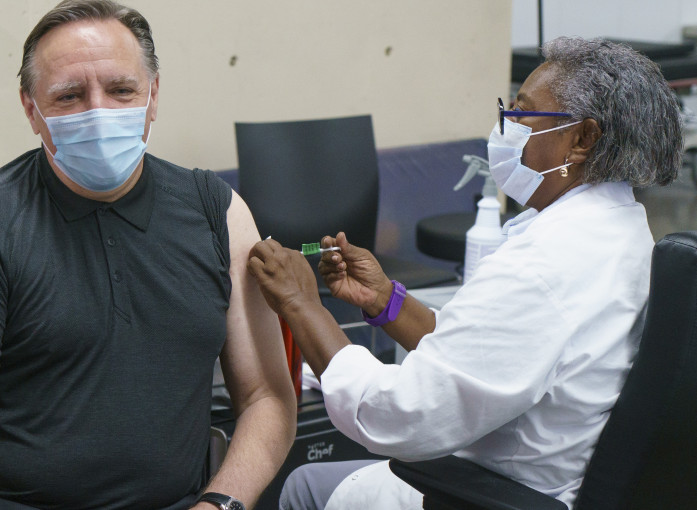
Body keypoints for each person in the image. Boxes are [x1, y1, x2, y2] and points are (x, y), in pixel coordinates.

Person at [247, 37, 682, 509]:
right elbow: (480, 354)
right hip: (555, 479)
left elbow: (394, 415)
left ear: (583, 139)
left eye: (522, 114)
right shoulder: (623, 230)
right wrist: (385, 301)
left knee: (304, 486)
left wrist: (301, 304)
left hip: (493, 493)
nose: (505, 127)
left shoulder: (543, 267)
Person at [0, 1, 296, 509]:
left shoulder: (217, 213)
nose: (98, 112)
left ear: (153, 95)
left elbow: (267, 398)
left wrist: (219, 504)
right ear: (31, 109)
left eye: (121, 90)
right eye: (69, 96)